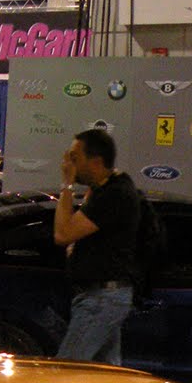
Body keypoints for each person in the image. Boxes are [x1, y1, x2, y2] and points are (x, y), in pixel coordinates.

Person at [53, 128, 143, 365]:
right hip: (102, 296)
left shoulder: (115, 195)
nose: (68, 164)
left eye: (74, 158)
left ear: (95, 162)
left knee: (66, 370)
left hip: (102, 299)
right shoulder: (106, 189)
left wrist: (67, 185)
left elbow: (62, 234)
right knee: (105, 373)